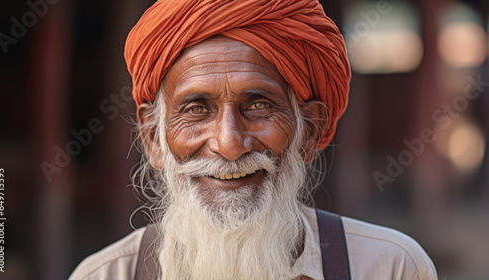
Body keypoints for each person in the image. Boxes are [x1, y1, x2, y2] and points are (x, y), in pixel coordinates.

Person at [69, 0, 438, 279]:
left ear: (308, 131)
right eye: (197, 109)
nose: (229, 144)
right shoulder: (103, 276)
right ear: (153, 138)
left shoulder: (388, 267)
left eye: (259, 105)